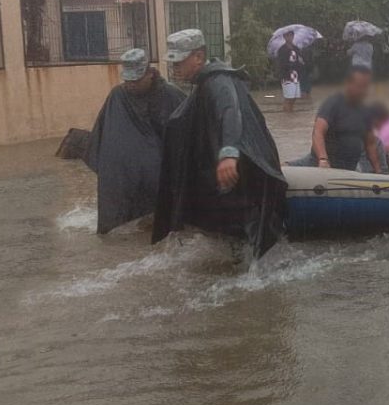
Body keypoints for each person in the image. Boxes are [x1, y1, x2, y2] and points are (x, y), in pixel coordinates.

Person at [152, 29, 288, 258]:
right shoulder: (204, 83)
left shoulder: (219, 81)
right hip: (230, 170)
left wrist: (228, 154)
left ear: (198, 57)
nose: (175, 68)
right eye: (173, 62)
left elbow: (230, 111)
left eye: (180, 61)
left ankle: (256, 273)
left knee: (252, 232)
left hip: (242, 167)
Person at [84, 48, 186, 234]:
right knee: (122, 232)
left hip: (160, 179)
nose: (131, 84)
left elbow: (187, 135)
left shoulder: (171, 95)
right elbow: (101, 137)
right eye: (128, 80)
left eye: (136, 80)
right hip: (126, 179)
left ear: (149, 73)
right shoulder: (118, 96)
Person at [290, 68, 382, 172]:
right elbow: (318, 132)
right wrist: (323, 159)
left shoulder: (365, 112)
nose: (362, 90)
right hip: (320, 164)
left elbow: (370, 144)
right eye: (359, 86)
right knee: (285, 168)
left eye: (365, 87)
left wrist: (378, 171)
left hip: (349, 168)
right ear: (349, 84)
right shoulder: (333, 103)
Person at [275, 30, 304, 113]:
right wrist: (291, 65)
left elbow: (299, 60)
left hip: (296, 75)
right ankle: (286, 114)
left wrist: (300, 62)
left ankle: (290, 112)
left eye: (291, 35)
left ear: (293, 36)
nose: (289, 37)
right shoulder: (282, 49)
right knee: (288, 97)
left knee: (294, 97)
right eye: (287, 36)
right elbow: (281, 63)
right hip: (287, 75)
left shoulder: (296, 48)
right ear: (284, 37)